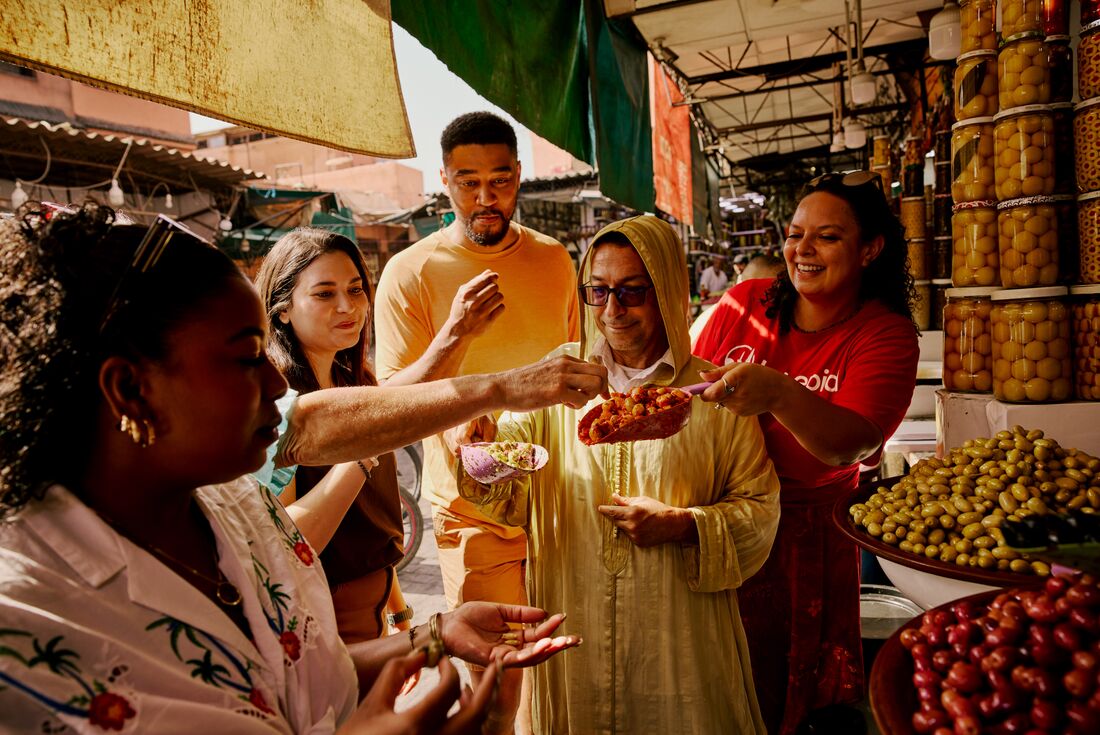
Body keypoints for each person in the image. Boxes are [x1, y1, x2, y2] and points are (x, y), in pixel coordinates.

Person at [0, 204, 607, 733]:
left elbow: (300, 680)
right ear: (131, 390)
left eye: (354, 289)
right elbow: (311, 425)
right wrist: (499, 386)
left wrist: (433, 637)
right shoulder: (29, 615)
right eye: (244, 358)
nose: (272, 383)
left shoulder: (236, 507)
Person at [458, 215, 781, 734]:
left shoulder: (715, 392)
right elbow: (508, 477)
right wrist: (481, 450)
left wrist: (685, 525)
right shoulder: (556, 377)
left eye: (633, 292)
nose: (613, 310)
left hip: (679, 637)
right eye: (599, 291)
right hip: (573, 617)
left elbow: (761, 509)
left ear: (670, 290)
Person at [692, 170, 920, 735]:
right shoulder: (746, 301)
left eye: (827, 236)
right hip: (717, 525)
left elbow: (851, 443)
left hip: (802, 545)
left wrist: (778, 394)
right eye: (795, 234)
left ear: (870, 249)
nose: (803, 249)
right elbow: (689, 384)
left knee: (788, 705)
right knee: (713, 691)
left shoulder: (884, 334)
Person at [373, 111, 580, 728]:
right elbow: (392, 404)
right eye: (468, 182)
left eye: (499, 180)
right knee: (499, 677)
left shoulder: (554, 261)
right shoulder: (409, 273)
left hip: (565, 493)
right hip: (472, 505)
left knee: (572, 661)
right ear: (444, 181)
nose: (485, 198)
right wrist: (456, 338)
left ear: (519, 176)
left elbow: (574, 367)